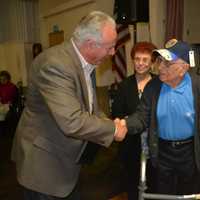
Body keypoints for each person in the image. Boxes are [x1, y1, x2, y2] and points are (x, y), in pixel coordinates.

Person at [11, 11, 127, 200]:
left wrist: (106, 120)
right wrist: (113, 129)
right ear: (90, 45)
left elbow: (89, 106)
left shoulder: (85, 61)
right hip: (45, 170)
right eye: (110, 47)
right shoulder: (56, 65)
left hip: (65, 165)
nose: (113, 53)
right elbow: (72, 120)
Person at [124, 39, 200, 195]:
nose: (160, 67)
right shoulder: (153, 86)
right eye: (160, 61)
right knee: (164, 194)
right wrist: (123, 125)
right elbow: (141, 116)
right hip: (162, 151)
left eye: (167, 63)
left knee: (189, 193)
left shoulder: (197, 86)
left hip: (190, 152)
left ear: (183, 68)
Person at [111, 42, 157, 199]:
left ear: (152, 62)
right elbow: (116, 114)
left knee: (154, 186)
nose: (141, 63)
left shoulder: (160, 84)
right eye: (137, 59)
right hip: (130, 146)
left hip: (155, 146)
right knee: (132, 188)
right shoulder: (124, 85)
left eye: (145, 59)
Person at [0, 71, 18, 136]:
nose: (2, 81)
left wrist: (11, 102)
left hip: (10, 106)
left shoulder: (12, 87)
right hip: (1, 105)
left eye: (4, 79)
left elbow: (16, 98)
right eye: (1, 79)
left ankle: (7, 133)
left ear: (8, 79)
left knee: (8, 116)